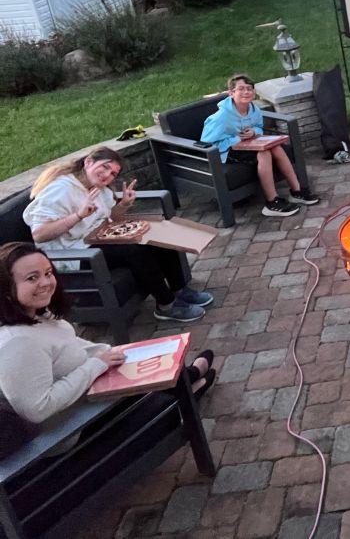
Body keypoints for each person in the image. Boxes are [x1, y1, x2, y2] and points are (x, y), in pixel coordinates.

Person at [0, 242, 215, 430]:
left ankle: (190, 377)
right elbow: (38, 409)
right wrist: (96, 364)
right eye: (32, 278)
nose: (46, 282)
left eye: (48, 273)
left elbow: (68, 344)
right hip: (76, 425)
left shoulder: (36, 314)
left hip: (89, 393)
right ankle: (187, 393)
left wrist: (106, 353)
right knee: (149, 384)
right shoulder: (16, 344)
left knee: (144, 363)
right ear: (6, 288)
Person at [23, 147, 213, 322]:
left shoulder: (100, 188)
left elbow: (109, 217)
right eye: (104, 167)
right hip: (75, 252)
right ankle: (166, 305)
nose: (107, 175)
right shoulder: (60, 189)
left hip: (98, 237)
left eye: (113, 173)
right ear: (88, 162)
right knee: (135, 251)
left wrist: (124, 205)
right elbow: (39, 234)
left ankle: (179, 289)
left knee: (157, 234)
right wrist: (78, 215)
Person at [200, 74, 319, 217]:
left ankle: (297, 191)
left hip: (249, 144)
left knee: (275, 146)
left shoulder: (253, 109)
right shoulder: (221, 118)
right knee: (264, 153)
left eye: (249, 89)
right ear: (231, 93)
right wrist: (236, 140)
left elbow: (258, 127)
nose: (246, 92)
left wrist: (254, 132)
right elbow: (206, 143)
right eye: (241, 89)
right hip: (226, 151)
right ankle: (271, 202)